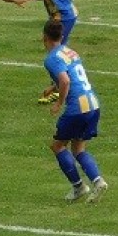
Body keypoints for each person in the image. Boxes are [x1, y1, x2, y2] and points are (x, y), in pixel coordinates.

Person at [41, 19, 106, 203]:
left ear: (44, 37)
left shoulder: (51, 58)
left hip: (77, 108)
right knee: (78, 148)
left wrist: (58, 103)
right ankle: (98, 181)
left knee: (58, 146)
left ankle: (79, 187)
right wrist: (53, 88)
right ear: (61, 36)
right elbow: (71, 76)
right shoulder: (69, 51)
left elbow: (66, 81)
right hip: (92, 104)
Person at [11, 0, 77, 105]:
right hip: (56, 16)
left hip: (64, 16)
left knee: (56, 52)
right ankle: (60, 84)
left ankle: (58, 87)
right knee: (55, 49)